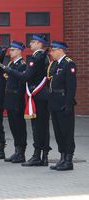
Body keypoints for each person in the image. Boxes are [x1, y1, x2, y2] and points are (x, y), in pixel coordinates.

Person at [4, 34, 51, 166]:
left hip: (38, 95)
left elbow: (26, 76)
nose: (30, 44)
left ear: (39, 44)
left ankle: (39, 155)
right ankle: (42, 156)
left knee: (38, 126)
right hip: (40, 95)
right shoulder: (42, 56)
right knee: (41, 126)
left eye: (33, 42)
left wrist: (10, 70)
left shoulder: (37, 57)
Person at [48, 41, 77, 171]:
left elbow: (71, 87)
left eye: (53, 50)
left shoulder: (68, 64)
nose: (51, 53)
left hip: (63, 102)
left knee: (67, 132)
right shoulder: (55, 64)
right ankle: (62, 157)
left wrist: (68, 104)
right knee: (59, 132)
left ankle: (68, 160)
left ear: (60, 50)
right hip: (54, 102)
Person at [3, 41, 28, 163]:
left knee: (19, 126)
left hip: (17, 99)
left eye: (13, 50)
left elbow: (21, 85)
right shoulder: (12, 64)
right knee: (13, 126)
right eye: (10, 49)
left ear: (19, 51)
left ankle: (21, 152)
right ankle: (17, 151)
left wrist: (18, 102)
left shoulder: (22, 65)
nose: (10, 51)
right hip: (10, 99)